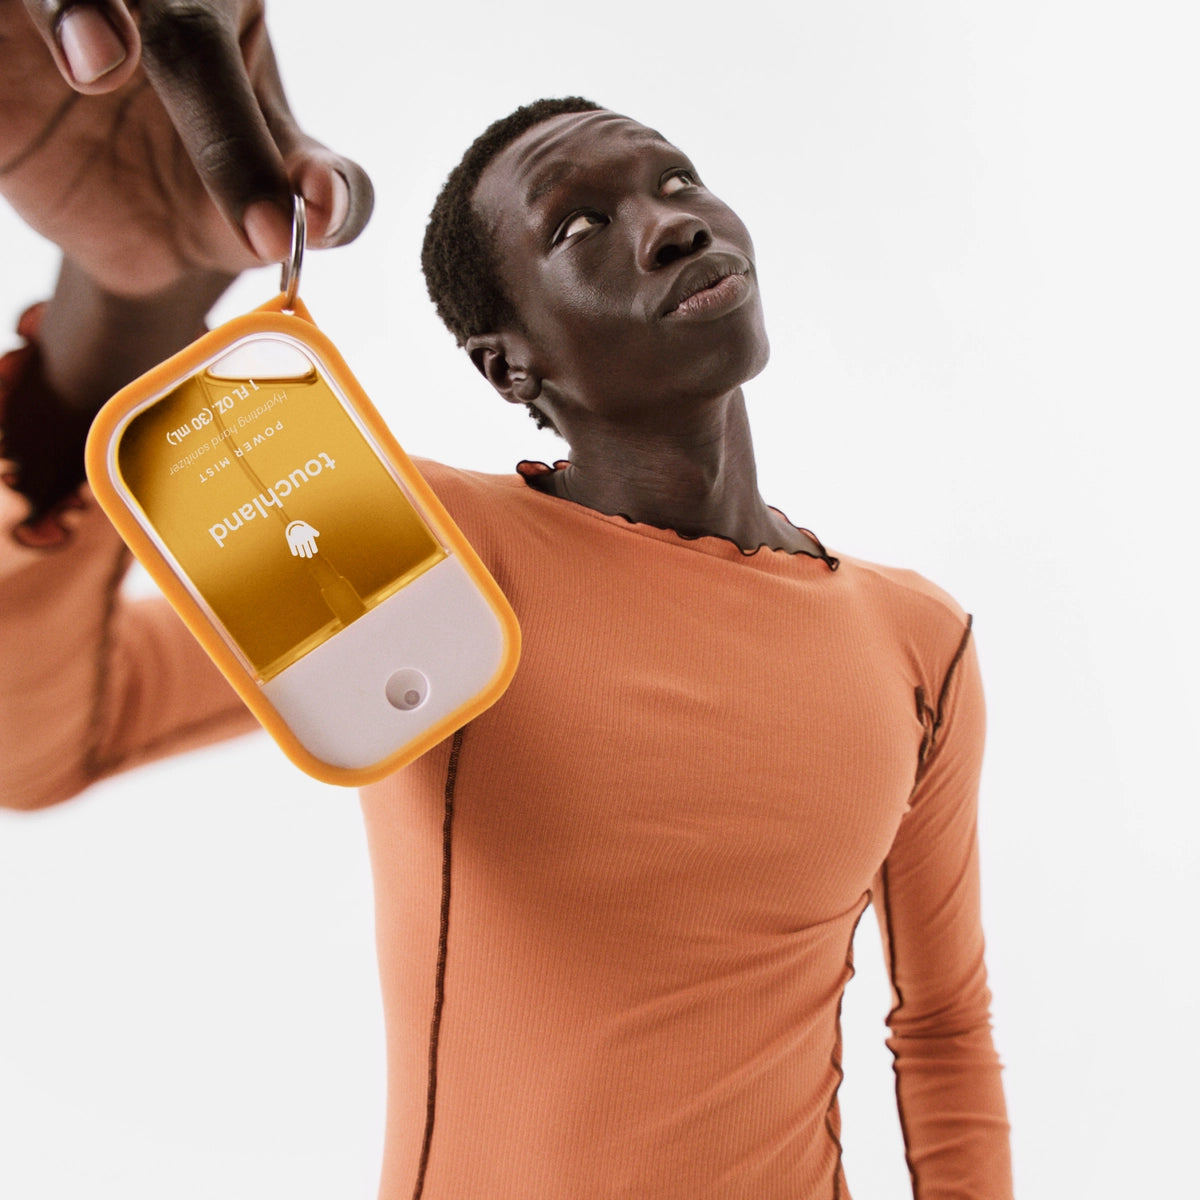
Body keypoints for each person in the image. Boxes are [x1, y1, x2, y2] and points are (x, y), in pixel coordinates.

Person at [0, 3, 1013, 1197]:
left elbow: (942, 1030)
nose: (673, 222)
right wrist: (108, 330)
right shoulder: (411, 548)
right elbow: (43, 741)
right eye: (582, 225)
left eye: (675, 179)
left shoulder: (916, 638)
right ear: (508, 365)